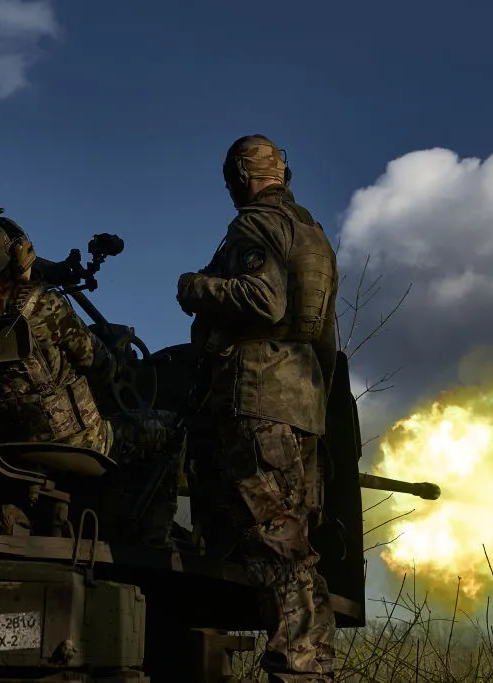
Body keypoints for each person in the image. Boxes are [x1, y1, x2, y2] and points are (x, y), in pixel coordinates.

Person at [177, 134, 339, 682]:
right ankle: (311, 668)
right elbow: (325, 342)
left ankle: (295, 670)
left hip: (259, 400)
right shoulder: (312, 235)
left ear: (242, 177)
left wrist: (196, 288)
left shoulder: (254, 226)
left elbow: (262, 300)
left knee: (277, 546)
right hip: (303, 402)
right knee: (296, 550)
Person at [0, 220, 183, 548]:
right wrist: (118, 365)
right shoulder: (42, 304)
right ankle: (152, 544)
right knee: (171, 430)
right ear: (21, 257)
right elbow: (99, 363)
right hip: (71, 439)